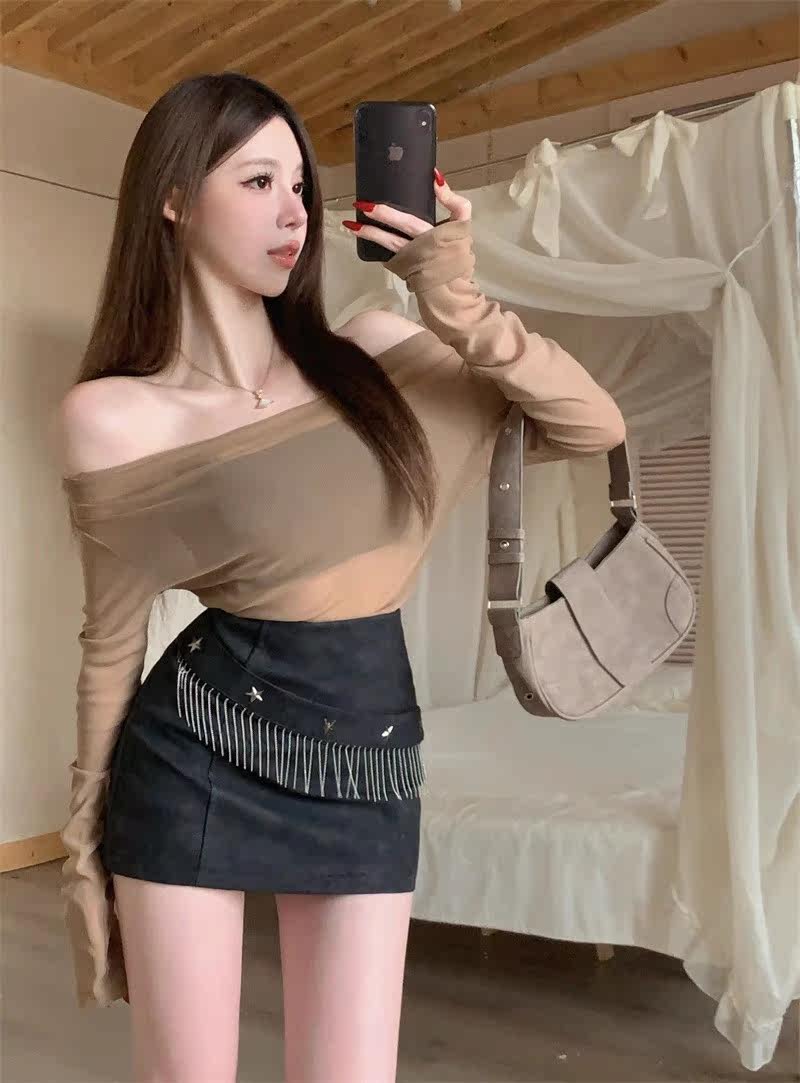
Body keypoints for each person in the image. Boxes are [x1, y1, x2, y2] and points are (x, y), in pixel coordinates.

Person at [53, 72, 625, 1083]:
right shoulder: (115, 416)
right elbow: (110, 641)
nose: (292, 212)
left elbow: (591, 426)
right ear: (175, 199)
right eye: (256, 181)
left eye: (298, 185)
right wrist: (83, 841)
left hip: (368, 756)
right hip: (191, 758)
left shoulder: (379, 354)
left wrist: (453, 299)